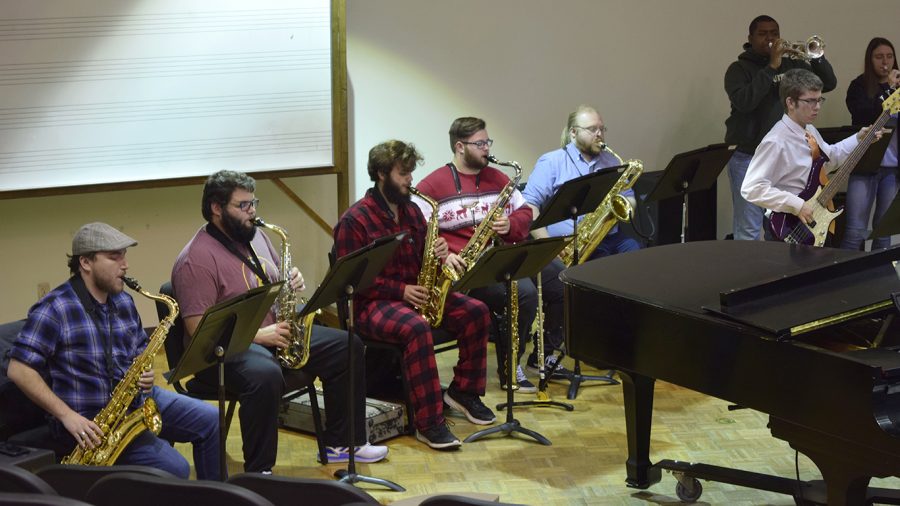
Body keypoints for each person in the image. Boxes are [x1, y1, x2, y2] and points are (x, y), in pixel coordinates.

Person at [171, 170, 388, 473]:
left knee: (347, 345)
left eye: (254, 203)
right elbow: (198, 334)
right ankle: (260, 471)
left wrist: (291, 278)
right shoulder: (195, 260)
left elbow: (273, 277)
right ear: (216, 208)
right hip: (223, 355)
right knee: (265, 374)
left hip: (275, 333)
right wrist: (259, 336)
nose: (253, 212)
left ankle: (342, 444)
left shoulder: (255, 234)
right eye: (243, 206)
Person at [7, 222, 220, 480]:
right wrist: (67, 416)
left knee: (212, 420)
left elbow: (140, 350)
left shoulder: (123, 301)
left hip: (136, 401)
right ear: (86, 262)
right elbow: (18, 369)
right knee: (175, 468)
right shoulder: (55, 308)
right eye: (114, 257)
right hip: (93, 422)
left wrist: (146, 373)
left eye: (124, 255)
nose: (125, 264)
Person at [333, 140, 495, 450]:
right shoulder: (355, 220)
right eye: (403, 173)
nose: (410, 179)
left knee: (476, 312)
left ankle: (463, 391)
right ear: (381, 174)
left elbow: (423, 260)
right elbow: (352, 281)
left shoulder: (412, 211)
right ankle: (428, 422)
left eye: (410, 172)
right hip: (371, 303)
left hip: (415, 294)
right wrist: (401, 291)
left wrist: (440, 254)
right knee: (417, 329)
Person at [415, 117, 564, 392]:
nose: (487, 149)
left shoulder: (498, 178)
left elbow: (524, 212)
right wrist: (443, 255)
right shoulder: (432, 185)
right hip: (466, 269)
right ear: (460, 147)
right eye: (480, 143)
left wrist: (511, 225)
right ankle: (510, 364)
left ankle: (544, 354)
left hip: (503, 253)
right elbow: (417, 228)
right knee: (525, 292)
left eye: (488, 142)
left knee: (560, 277)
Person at [523, 105, 637, 373]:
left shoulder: (611, 162)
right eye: (593, 129)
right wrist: (545, 245)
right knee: (587, 276)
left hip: (608, 236)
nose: (600, 135)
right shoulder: (552, 161)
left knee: (636, 258)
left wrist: (625, 204)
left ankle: (617, 343)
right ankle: (552, 350)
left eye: (602, 129)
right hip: (569, 242)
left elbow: (630, 198)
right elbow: (529, 205)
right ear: (573, 133)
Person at [724, 15, 837, 240]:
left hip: (786, 158)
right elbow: (745, 102)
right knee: (748, 229)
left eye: (774, 33)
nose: (770, 38)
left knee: (780, 228)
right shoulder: (738, 69)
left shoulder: (792, 64)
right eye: (763, 33)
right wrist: (772, 67)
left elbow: (829, 83)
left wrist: (816, 57)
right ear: (750, 38)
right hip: (748, 156)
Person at [742, 69, 876, 241]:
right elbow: (751, 188)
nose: (817, 107)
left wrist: (858, 138)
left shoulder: (809, 130)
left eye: (819, 100)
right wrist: (797, 205)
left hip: (808, 223)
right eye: (810, 101)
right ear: (790, 102)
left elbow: (829, 160)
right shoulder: (776, 141)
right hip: (786, 227)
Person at [842, 37, 900, 250]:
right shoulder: (858, 86)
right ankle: (845, 276)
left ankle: (880, 280)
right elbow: (865, 113)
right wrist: (888, 88)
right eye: (879, 57)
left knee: (883, 232)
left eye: (890, 56)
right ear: (870, 59)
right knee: (855, 230)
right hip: (865, 164)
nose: (885, 61)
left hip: (893, 169)